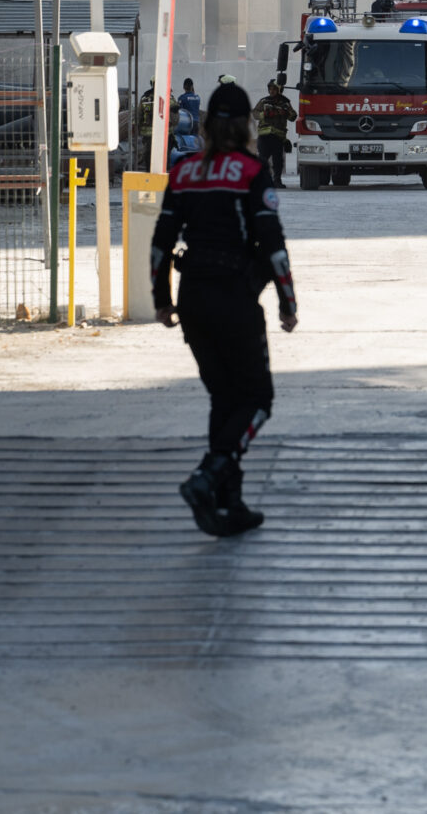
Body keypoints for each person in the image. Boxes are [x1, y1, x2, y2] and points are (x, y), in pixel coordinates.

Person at [148, 83, 297, 537]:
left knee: (223, 399)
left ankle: (229, 501)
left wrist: (162, 300)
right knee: (258, 401)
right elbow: (272, 245)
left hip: (193, 298)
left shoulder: (185, 171)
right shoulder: (252, 172)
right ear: (247, 126)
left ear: (208, 124)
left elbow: (159, 245)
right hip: (235, 298)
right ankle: (209, 476)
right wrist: (288, 303)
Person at [254, 78, 296, 186]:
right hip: (264, 136)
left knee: (278, 161)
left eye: (274, 89)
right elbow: (254, 113)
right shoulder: (264, 101)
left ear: (279, 90)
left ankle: (277, 180)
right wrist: (264, 114)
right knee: (262, 160)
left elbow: (293, 117)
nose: (271, 91)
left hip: (278, 137)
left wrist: (285, 112)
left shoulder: (285, 102)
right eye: (270, 89)